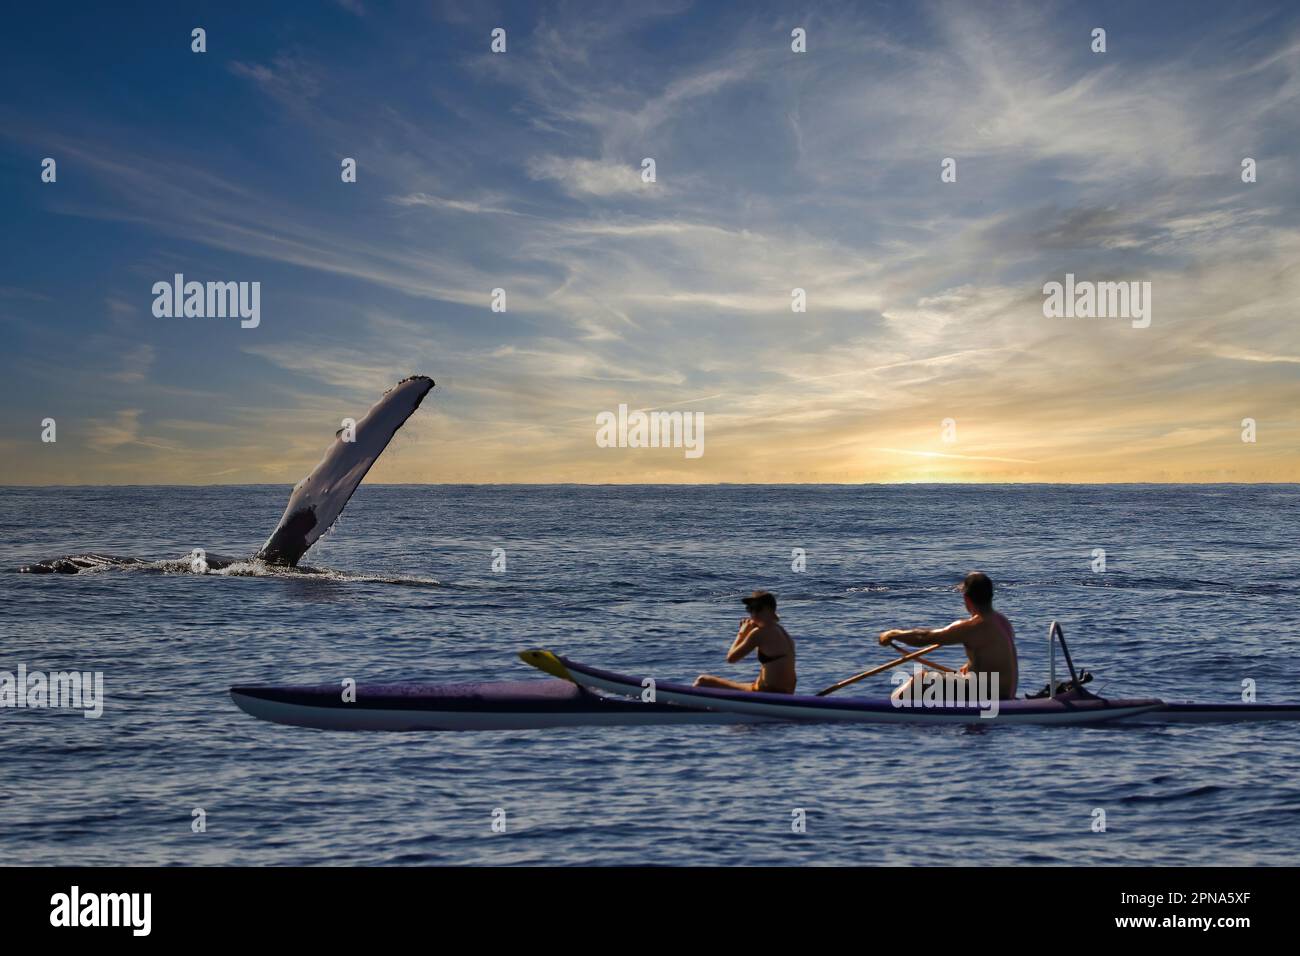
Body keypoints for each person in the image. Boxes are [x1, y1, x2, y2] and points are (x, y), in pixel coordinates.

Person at [879, 571, 1018, 701]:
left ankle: (886, 710)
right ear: (991, 595)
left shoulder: (973, 626)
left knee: (921, 680)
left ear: (967, 598)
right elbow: (993, 656)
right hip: (1006, 694)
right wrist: (970, 667)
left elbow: (925, 637)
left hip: (991, 696)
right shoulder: (1003, 621)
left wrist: (893, 634)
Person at [694, 590, 797, 693]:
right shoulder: (781, 631)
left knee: (702, 681)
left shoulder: (759, 633)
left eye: (758, 609)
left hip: (768, 692)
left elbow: (731, 658)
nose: (753, 613)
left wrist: (742, 632)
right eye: (750, 609)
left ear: (770, 610)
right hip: (785, 692)